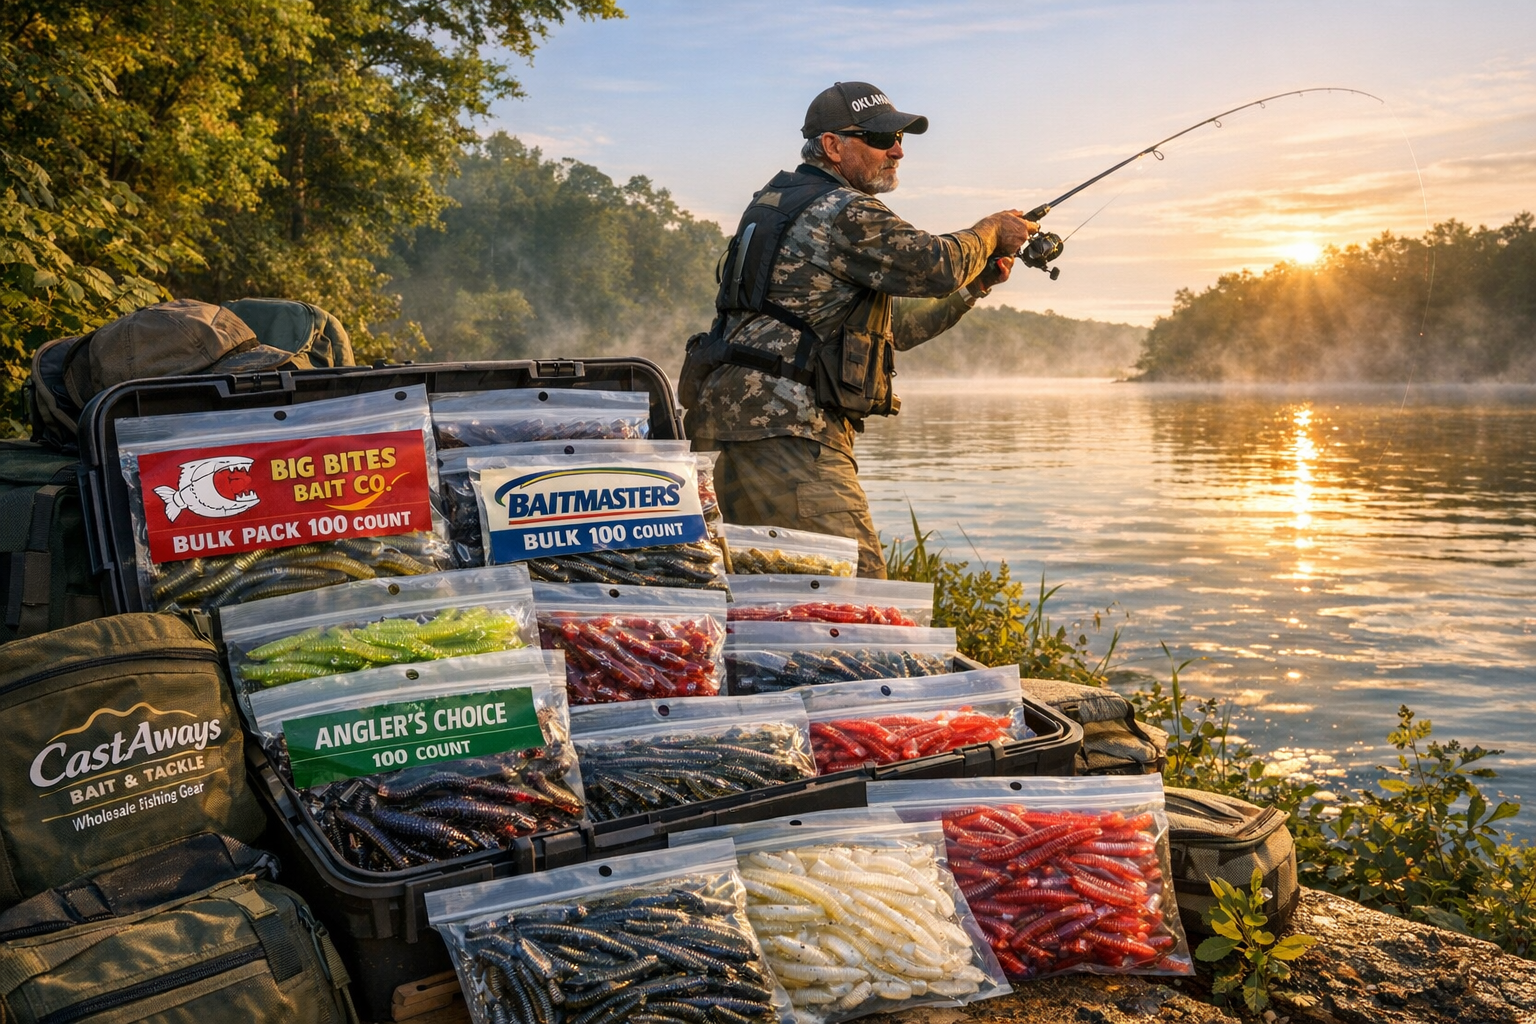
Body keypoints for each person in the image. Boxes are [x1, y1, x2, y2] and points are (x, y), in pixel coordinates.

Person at [682, 81, 1036, 577]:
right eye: (879, 138)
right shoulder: (840, 209)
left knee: (768, 604)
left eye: (899, 138)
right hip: (791, 440)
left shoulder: (777, 203)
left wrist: (973, 288)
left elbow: (888, 333)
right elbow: (935, 263)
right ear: (832, 145)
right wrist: (993, 231)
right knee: (860, 598)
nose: (897, 150)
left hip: (729, 434)